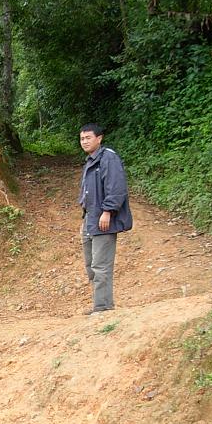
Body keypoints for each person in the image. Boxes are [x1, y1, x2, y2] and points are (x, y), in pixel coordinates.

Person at [78, 123, 132, 314]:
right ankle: (99, 304)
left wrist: (107, 211)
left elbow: (117, 189)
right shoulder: (90, 160)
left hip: (103, 220)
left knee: (101, 266)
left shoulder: (109, 158)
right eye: (82, 138)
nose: (84, 141)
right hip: (89, 220)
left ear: (99, 138)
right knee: (91, 265)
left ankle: (103, 308)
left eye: (88, 138)